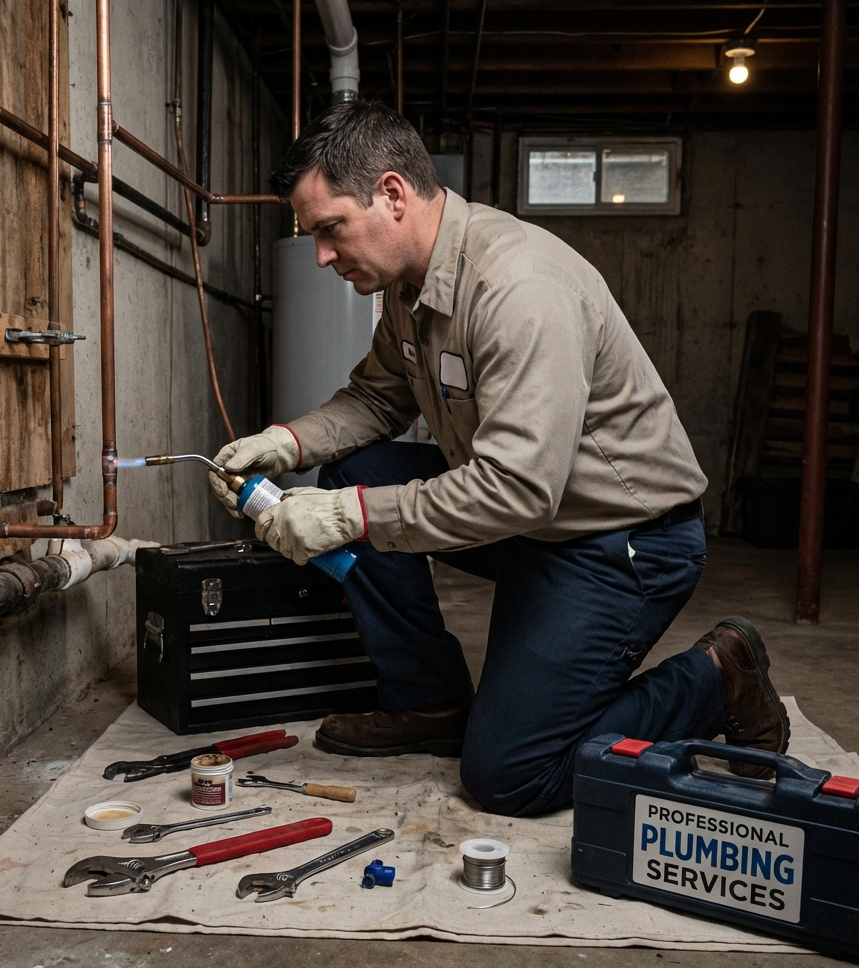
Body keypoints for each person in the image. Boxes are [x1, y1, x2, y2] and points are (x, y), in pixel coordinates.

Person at [209, 101, 789, 816]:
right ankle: (432, 703)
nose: (323, 255)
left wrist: (346, 517)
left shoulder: (518, 290)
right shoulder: (411, 289)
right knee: (356, 473)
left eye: (330, 229)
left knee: (511, 774)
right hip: (533, 523)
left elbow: (516, 489)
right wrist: (287, 443)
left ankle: (715, 677)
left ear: (392, 195)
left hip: (619, 544)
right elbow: (377, 400)